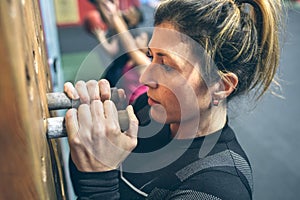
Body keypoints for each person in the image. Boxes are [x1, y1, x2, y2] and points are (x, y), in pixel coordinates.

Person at [64, 0, 283, 199]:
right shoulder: (147, 111)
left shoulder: (216, 189)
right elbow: (84, 182)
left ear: (220, 87)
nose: (145, 77)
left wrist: (100, 183)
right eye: (152, 56)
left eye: (167, 66)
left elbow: (98, 184)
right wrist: (93, 139)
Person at [84, 0, 151, 104]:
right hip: (131, 105)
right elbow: (112, 23)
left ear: (148, 48)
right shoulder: (129, 63)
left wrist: (114, 15)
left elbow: (128, 43)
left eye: (142, 39)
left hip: (140, 106)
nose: (138, 39)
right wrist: (103, 6)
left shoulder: (144, 62)